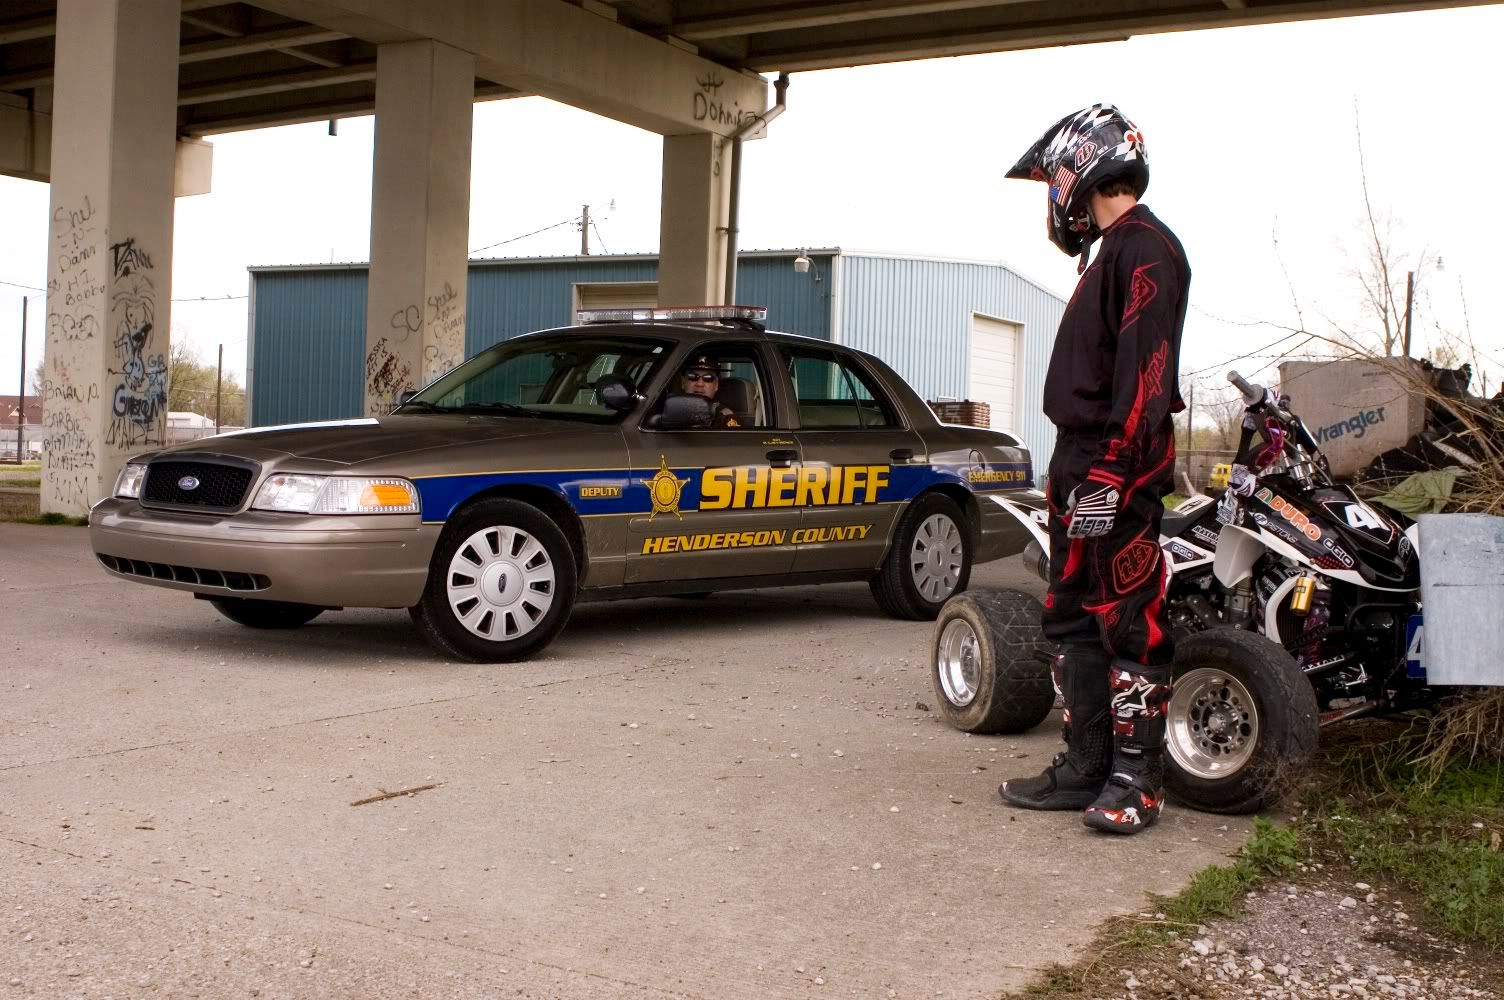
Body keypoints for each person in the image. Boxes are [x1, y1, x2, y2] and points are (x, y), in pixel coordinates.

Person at [997, 105, 1191, 835]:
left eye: (1055, 179)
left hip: (1122, 459)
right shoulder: (1110, 252)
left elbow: (1145, 375)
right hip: (1080, 453)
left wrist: (1114, 471)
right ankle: (1084, 768)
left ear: (1083, 168)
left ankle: (1138, 783)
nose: (1055, 197)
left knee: (1129, 617)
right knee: (1073, 614)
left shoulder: (1148, 250)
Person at [674, 355, 741, 428]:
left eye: (708, 378)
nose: (700, 384)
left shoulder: (726, 417)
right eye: (692, 376)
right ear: (683, 382)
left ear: (716, 385)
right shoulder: (669, 412)